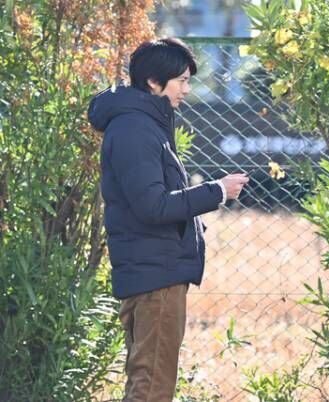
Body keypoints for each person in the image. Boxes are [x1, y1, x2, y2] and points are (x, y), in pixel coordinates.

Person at [87, 38, 249, 401]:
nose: (187, 90)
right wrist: (217, 191)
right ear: (153, 82)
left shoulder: (143, 124)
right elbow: (153, 206)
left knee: (147, 381)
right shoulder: (135, 129)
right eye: (182, 81)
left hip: (155, 271)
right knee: (152, 388)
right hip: (156, 277)